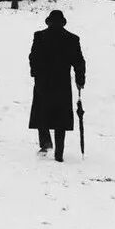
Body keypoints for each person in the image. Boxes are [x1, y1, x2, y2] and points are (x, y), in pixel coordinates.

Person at [28, 10, 86, 162]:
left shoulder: (40, 36)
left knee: (42, 114)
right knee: (61, 118)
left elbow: (33, 57)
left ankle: (46, 142)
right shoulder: (72, 39)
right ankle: (59, 153)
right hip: (62, 84)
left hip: (43, 82)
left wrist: (35, 73)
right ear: (63, 23)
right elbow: (79, 62)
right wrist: (80, 80)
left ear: (49, 22)